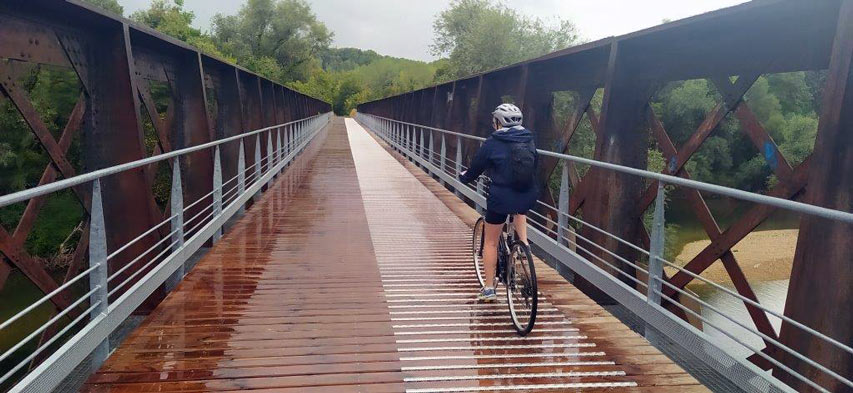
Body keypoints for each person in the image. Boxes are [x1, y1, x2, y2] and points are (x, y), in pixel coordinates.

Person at [459, 103, 539, 302]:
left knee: (491, 242)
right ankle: (524, 246)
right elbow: (534, 164)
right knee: (520, 210)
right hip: (526, 194)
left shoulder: (493, 142)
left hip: (500, 198)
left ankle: (488, 288)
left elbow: (476, 167)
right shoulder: (529, 139)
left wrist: (465, 177)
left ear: (498, 122)